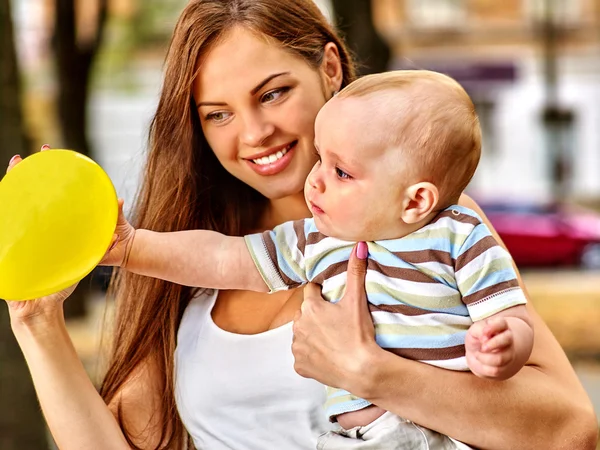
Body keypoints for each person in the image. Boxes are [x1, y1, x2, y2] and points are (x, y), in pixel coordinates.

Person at [3, 1, 597, 449]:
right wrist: (37, 323)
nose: (253, 133)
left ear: (330, 68)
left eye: (274, 92)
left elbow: (572, 430)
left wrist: (371, 373)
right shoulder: (188, 263)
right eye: (218, 114)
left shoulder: (419, 226)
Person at [100, 69, 535, 449]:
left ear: (416, 200)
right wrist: (132, 246)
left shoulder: (457, 235)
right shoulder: (316, 241)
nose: (316, 181)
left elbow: (512, 317)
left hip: (439, 437)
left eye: (341, 172)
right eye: (321, 160)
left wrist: (505, 346)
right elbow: (221, 258)